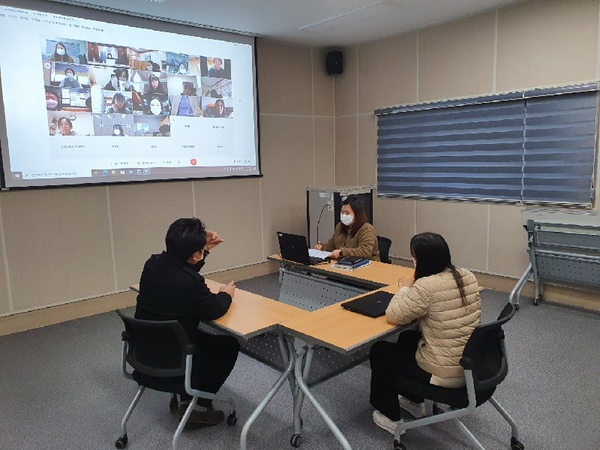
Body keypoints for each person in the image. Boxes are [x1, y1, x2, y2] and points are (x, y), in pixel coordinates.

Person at [369, 232, 481, 435]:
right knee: (408, 337)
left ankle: (389, 416)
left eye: (414, 257)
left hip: (445, 372)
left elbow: (394, 314)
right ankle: (414, 401)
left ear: (422, 260)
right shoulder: (467, 276)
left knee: (380, 351)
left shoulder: (426, 287)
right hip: (470, 362)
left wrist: (404, 289)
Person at [135, 218, 239, 426]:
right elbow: (214, 308)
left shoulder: (152, 264)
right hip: (177, 356)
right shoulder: (191, 284)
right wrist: (226, 294)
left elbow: (182, 272)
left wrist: (203, 250)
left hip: (144, 351)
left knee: (199, 335)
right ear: (193, 256)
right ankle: (198, 407)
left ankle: (187, 395)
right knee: (228, 345)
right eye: (199, 252)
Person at [316, 196, 380, 261]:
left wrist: (342, 252)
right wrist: (322, 247)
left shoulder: (366, 229)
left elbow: (365, 252)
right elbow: (332, 245)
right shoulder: (340, 226)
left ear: (357, 214)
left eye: (347, 213)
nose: (344, 215)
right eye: (342, 212)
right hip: (345, 262)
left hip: (367, 264)